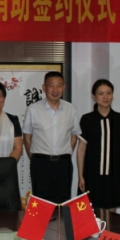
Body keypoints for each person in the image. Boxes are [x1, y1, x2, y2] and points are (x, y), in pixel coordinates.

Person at [23, 71, 80, 205]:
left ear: (64, 87)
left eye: (59, 85)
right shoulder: (33, 109)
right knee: (41, 204)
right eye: (51, 85)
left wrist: (66, 152)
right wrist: (35, 158)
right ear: (44, 87)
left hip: (63, 164)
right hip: (41, 164)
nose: (55, 90)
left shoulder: (71, 109)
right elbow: (27, 137)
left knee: (62, 204)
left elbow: (74, 135)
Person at [77, 79, 120, 217]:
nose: (105, 97)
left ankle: (108, 232)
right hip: (92, 174)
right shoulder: (87, 119)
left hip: (115, 173)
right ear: (94, 96)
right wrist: (81, 176)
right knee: (91, 213)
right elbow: (81, 149)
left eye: (108, 93)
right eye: (101, 93)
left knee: (112, 214)